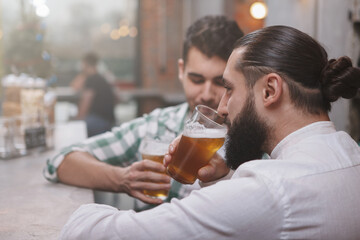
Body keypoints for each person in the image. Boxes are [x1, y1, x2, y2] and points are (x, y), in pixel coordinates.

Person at [60, 25, 360, 240]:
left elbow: (90, 232)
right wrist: (221, 181)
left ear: (270, 90)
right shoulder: (351, 154)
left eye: (228, 88)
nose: (222, 106)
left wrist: (83, 212)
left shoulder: (269, 187)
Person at [44, 16, 244, 210]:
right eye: (196, 80)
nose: (207, 94)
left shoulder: (254, 140)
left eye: (220, 83)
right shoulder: (156, 126)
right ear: (181, 70)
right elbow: (59, 162)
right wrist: (122, 179)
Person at [73, 52, 116, 137]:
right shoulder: (101, 78)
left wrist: (77, 120)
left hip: (98, 122)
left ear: (85, 64)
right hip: (108, 121)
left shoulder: (92, 79)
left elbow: (85, 103)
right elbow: (75, 87)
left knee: (74, 129)